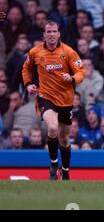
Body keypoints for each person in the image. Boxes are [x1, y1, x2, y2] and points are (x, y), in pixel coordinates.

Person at [22, 21, 85, 180]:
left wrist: (71, 78)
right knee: (52, 127)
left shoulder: (68, 52)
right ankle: (53, 164)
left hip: (65, 100)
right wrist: (28, 84)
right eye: (48, 31)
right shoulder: (35, 52)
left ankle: (65, 170)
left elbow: (81, 71)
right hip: (46, 97)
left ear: (59, 34)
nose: (51, 34)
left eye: (54, 31)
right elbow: (26, 68)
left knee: (64, 138)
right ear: (44, 34)